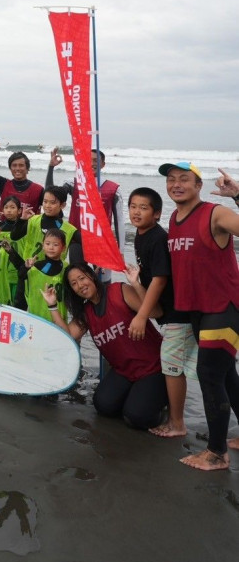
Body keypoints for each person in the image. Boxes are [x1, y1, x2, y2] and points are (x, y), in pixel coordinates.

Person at [159, 161, 239, 471]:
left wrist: (237, 195)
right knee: (225, 375)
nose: (176, 184)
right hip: (198, 312)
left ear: (198, 186)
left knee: (209, 376)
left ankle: (217, 453)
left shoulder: (214, 213)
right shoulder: (175, 219)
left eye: (184, 179)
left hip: (224, 308)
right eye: (171, 180)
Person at [42, 263, 167, 431]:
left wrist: (136, 284)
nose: (80, 285)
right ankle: (139, 397)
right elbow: (69, 336)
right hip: (125, 371)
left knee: (136, 417)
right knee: (103, 405)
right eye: (74, 284)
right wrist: (53, 306)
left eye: (81, 278)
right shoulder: (87, 312)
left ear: (92, 276)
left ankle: (164, 405)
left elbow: (156, 312)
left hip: (153, 367)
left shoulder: (118, 291)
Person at [128, 187, 196, 440]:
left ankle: (177, 423)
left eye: (143, 208)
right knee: (174, 365)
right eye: (133, 206)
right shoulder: (140, 234)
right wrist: (135, 283)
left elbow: (160, 280)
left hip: (178, 313)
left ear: (156, 214)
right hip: (165, 313)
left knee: (172, 367)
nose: (136, 212)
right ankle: (172, 413)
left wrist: (142, 316)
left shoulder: (157, 238)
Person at [46, 147, 125, 253]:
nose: (92, 163)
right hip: (76, 239)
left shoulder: (113, 190)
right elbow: (50, 194)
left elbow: (119, 222)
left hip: (101, 242)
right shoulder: (73, 184)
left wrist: (120, 251)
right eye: (88, 160)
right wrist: (51, 167)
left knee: (99, 270)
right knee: (77, 270)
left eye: (96, 160)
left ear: (103, 165)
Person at [14, 228, 68, 320]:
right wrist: (26, 267)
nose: (51, 247)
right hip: (37, 318)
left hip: (59, 319)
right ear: (43, 246)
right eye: (47, 244)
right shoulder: (35, 267)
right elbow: (21, 277)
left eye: (55, 244)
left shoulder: (66, 267)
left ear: (63, 248)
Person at [15, 186, 78, 264]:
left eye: (52, 202)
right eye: (45, 201)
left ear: (63, 205)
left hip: (55, 274)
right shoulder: (33, 220)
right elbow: (14, 236)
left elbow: (89, 245)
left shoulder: (70, 230)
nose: (47, 205)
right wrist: (22, 220)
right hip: (29, 271)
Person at [0, 139, 45, 213]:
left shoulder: (38, 190)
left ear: (27, 168)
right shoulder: (3, 184)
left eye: (21, 165)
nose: (17, 168)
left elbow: (50, 208)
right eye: (14, 165)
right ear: (10, 168)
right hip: (4, 224)